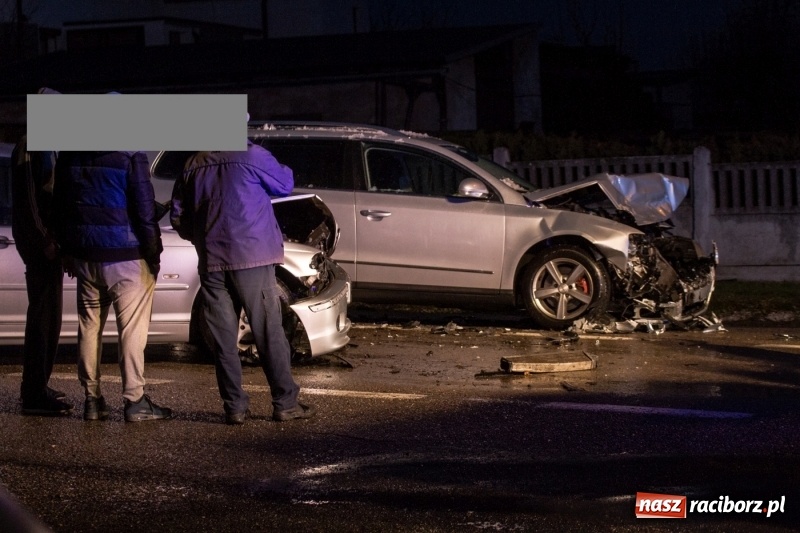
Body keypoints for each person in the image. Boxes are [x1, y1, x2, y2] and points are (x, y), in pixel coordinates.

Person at [170, 141, 316, 425]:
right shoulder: (251, 155)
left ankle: (234, 407)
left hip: (212, 261)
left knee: (223, 339)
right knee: (268, 331)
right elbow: (284, 183)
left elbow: (178, 216)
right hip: (252, 256)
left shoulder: (193, 164)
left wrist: (202, 236)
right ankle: (285, 402)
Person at [52, 150, 172, 422]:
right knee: (131, 330)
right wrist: (153, 253)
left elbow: (60, 206)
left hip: (87, 256)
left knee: (89, 326)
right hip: (126, 257)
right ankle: (135, 399)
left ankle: (92, 399)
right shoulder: (130, 156)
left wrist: (68, 250)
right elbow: (144, 211)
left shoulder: (70, 156)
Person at [12, 130, 73, 416]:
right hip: (40, 243)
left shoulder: (46, 145)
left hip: (47, 241)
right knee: (43, 317)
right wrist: (43, 239)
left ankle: (37, 386)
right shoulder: (30, 144)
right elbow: (28, 199)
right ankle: (34, 392)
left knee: (50, 317)